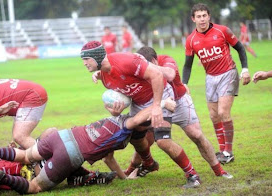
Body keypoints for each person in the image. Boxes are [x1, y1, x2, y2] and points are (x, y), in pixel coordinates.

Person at [0, 97, 176, 195]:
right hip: (70, 153)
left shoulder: (116, 119)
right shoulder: (127, 127)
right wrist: (161, 104)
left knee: (26, 156)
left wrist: (124, 176)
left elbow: (109, 158)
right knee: (34, 187)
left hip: (63, 135)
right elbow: (138, 119)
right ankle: (0, 177)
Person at [81, 41, 202, 188]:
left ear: (97, 57)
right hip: (139, 103)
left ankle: (192, 175)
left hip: (160, 95)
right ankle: (149, 163)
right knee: (135, 136)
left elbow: (157, 75)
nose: (84, 63)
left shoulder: (126, 61)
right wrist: (116, 110)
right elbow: (127, 92)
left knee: (162, 141)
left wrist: (157, 105)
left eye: (86, 59)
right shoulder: (104, 77)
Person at [124, 47, 232, 181]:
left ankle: (219, 170)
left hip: (180, 102)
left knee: (196, 135)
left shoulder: (166, 60)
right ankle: (132, 169)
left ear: (153, 61)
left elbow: (170, 75)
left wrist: (147, 66)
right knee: (147, 140)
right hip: (159, 104)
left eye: (144, 65)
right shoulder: (137, 67)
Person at [182, 3, 251, 164]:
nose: (202, 19)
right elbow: (187, 65)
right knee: (213, 115)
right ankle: (222, 150)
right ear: (193, 19)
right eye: (198, 16)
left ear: (209, 16)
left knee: (222, 111)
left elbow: (240, 48)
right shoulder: (191, 40)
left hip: (228, 73)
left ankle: (229, 151)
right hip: (210, 78)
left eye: (204, 15)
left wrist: (245, 69)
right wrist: (184, 83)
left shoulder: (222, 30)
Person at [0, 79, 48, 149]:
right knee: (20, 138)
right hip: (31, 91)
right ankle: (50, 143)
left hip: (32, 95)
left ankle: (47, 158)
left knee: (20, 136)